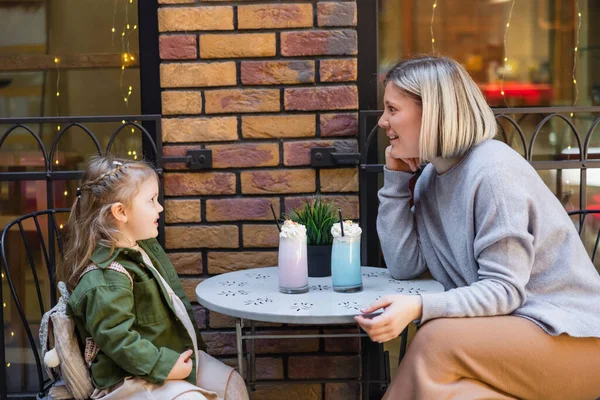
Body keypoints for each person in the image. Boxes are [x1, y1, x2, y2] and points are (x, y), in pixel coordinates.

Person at [354, 56, 600, 399]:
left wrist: (420, 307)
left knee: (435, 338)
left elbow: (504, 290)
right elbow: (404, 265)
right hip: (508, 339)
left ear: (434, 113)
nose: (382, 121)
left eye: (392, 109)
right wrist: (396, 181)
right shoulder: (430, 179)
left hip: (572, 341)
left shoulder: (492, 172)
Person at [61, 156, 248, 400]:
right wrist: (164, 365)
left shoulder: (142, 249)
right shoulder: (105, 277)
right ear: (120, 212)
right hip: (126, 378)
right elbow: (119, 341)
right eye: (151, 201)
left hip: (166, 353)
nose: (160, 207)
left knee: (232, 384)